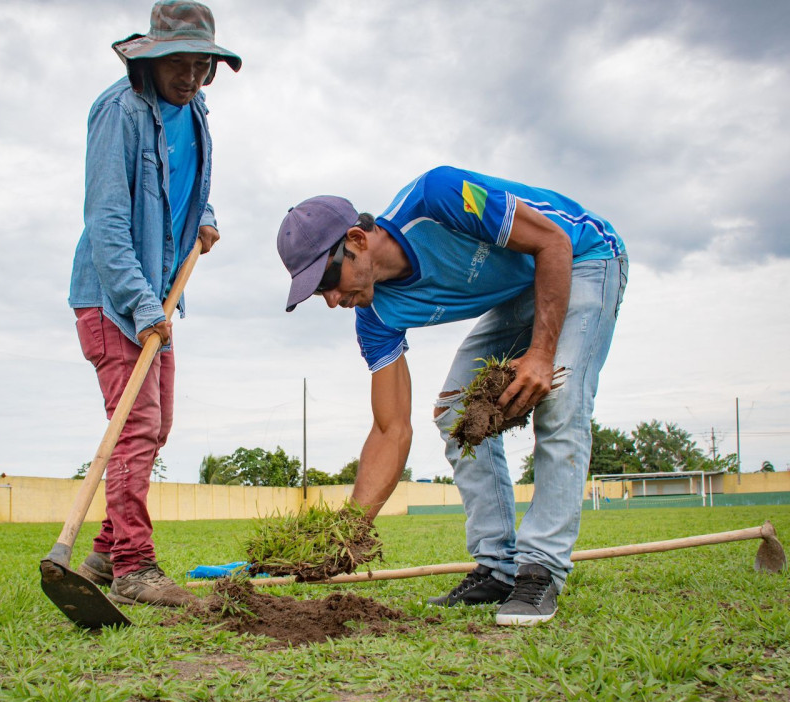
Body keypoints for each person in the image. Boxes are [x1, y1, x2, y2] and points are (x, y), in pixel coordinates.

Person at [276, 167, 627, 625]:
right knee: (453, 411)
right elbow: (390, 428)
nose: (330, 299)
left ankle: (540, 568)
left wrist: (541, 354)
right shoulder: (375, 318)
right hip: (522, 291)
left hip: (582, 257)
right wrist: (349, 534)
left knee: (558, 398)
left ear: (358, 240)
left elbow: (553, 242)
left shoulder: (440, 199)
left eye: (328, 279)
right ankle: (499, 567)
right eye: (318, 292)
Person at [68, 0, 240, 607]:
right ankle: (135, 568)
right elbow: (108, 219)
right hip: (116, 298)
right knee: (136, 426)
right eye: (180, 62)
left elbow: (190, 188)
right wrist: (142, 306)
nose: (191, 75)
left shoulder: (194, 112)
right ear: (153, 56)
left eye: (202, 64)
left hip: (159, 297)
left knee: (155, 426)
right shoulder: (119, 113)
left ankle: (99, 557)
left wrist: (207, 217)